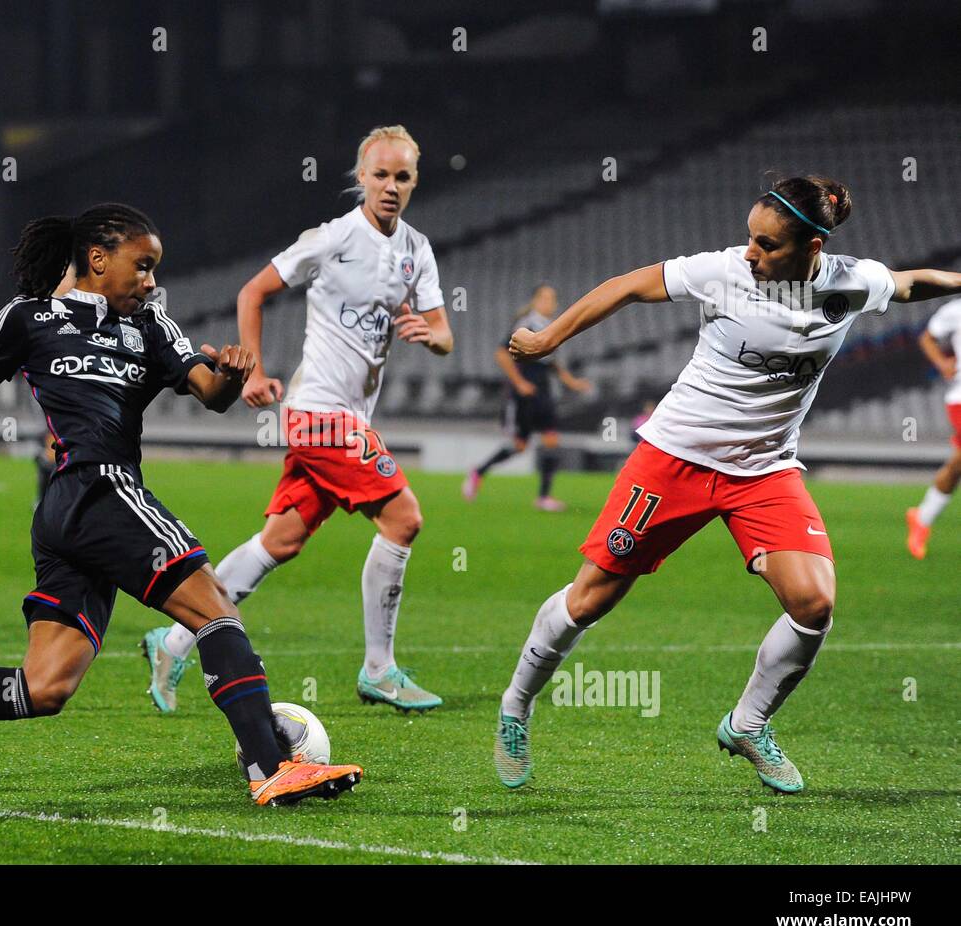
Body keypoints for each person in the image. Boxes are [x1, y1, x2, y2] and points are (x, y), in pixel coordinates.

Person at [0, 203, 363, 806]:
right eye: (142, 266)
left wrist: (235, 373)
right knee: (217, 612)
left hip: (71, 510)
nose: (151, 281)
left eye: (155, 269)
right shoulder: (28, 319)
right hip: (95, 487)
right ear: (98, 259)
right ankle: (270, 767)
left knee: (45, 687)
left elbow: (210, 392)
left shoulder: (152, 327)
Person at [491, 175, 961, 793]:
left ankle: (748, 723)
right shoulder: (725, 271)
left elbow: (906, 285)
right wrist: (551, 338)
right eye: (749, 238)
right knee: (590, 601)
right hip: (675, 459)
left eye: (766, 245)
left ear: (812, 246)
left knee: (814, 602)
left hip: (764, 471)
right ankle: (516, 706)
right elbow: (630, 285)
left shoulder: (850, 282)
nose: (750, 253)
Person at [140, 125, 454, 714]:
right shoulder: (332, 239)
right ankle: (380, 670)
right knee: (404, 519)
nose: (390, 186)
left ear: (414, 182)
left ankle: (174, 639)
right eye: (380, 174)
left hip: (345, 417)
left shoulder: (417, 249)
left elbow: (443, 334)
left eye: (402, 177)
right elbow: (252, 291)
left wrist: (427, 336)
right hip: (319, 415)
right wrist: (253, 373)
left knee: (281, 540)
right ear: (360, 177)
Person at [463, 284, 592, 509]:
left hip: (543, 391)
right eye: (544, 297)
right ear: (534, 301)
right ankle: (479, 471)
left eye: (552, 298)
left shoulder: (548, 326)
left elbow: (551, 364)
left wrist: (572, 382)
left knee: (551, 439)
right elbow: (501, 353)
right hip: (524, 393)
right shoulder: (526, 324)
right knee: (519, 445)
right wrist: (520, 383)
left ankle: (543, 497)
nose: (548, 302)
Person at [905, 299, 961, 558]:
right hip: (960, 397)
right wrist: (942, 363)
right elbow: (927, 338)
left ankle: (922, 517)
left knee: (957, 465)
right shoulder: (955, 310)